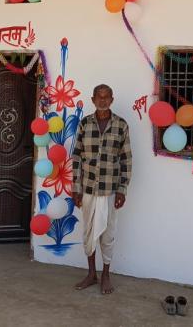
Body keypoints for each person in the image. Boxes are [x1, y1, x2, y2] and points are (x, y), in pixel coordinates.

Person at [71, 84, 132, 295]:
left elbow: (126, 159)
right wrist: (76, 188)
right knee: (88, 232)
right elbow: (77, 157)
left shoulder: (121, 125)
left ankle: (105, 274)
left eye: (106, 97)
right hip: (88, 188)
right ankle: (91, 274)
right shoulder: (85, 124)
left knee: (108, 234)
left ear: (112, 100)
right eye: (99, 96)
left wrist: (122, 189)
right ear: (93, 99)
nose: (103, 100)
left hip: (110, 190)